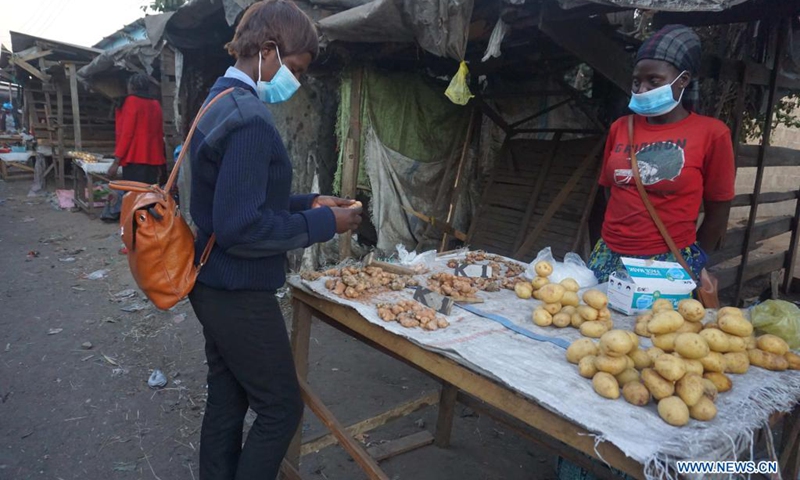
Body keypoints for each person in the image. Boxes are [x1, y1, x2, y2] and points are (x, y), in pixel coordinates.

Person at [187, 1, 362, 479]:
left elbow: (239, 202)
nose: (298, 81)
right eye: (297, 68)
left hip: (211, 278)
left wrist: (308, 204)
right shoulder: (250, 119)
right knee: (282, 408)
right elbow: (242, 229)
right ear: (267, 50)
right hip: (237, 289)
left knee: (228, 395)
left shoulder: (219, 99)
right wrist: (326, 226)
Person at [587, 24, 735, 284]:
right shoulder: (621, 127)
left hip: (668, 261)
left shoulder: (712, 133)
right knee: (595, 321)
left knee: (654, 325)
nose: (642, 89)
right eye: (636, 81)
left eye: (653, 80)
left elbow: (719, 208)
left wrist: (697, 258)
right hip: (609, 254)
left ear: (683, 80)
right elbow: (610, 190)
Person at [101, 74, 167, 222]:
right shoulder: (156, 104)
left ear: (132, 86)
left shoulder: (132, 102)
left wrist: (116, 161)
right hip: (153, 157)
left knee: (133, 196)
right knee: (148, 195)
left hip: (135, 157)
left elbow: (127, 133)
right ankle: (147, 226)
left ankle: (135, 227)